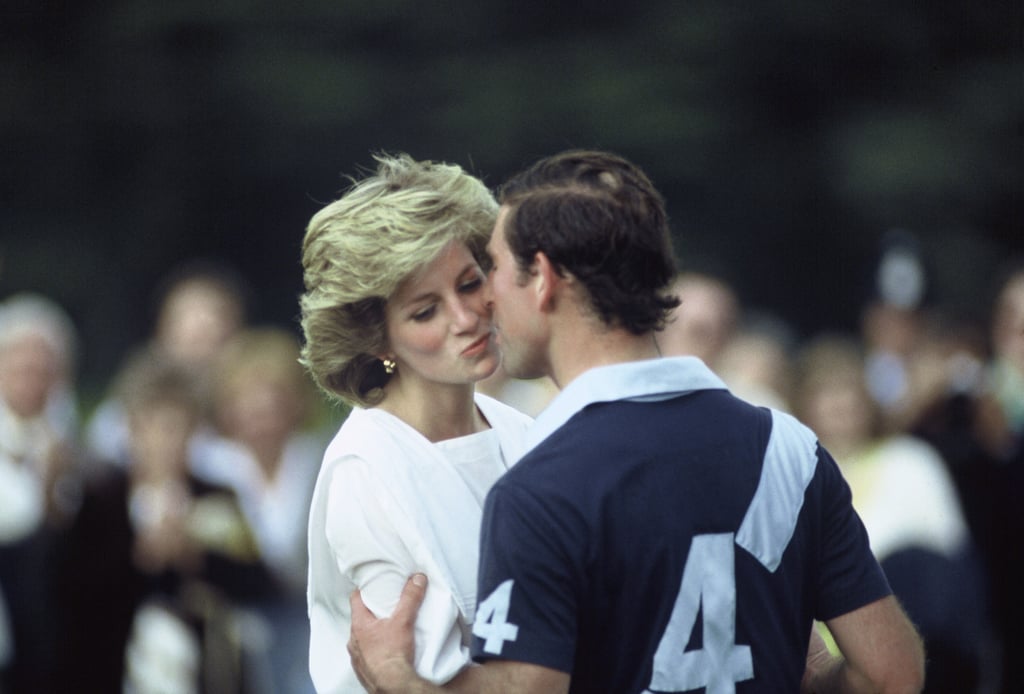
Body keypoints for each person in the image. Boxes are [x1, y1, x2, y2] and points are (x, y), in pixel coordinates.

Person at [347, 150, 925, 693]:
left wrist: (402, 680)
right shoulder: (789, 448)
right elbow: (892, 673)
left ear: (543, 279)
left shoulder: (540, 486)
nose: (485, 300)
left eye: (492, 269)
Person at [299, 153, 534, 692]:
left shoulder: (523, 433)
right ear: (377, 340)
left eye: (471, 283)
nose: (465, 317)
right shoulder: (367, 469)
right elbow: (422, 680)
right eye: (425, 311)